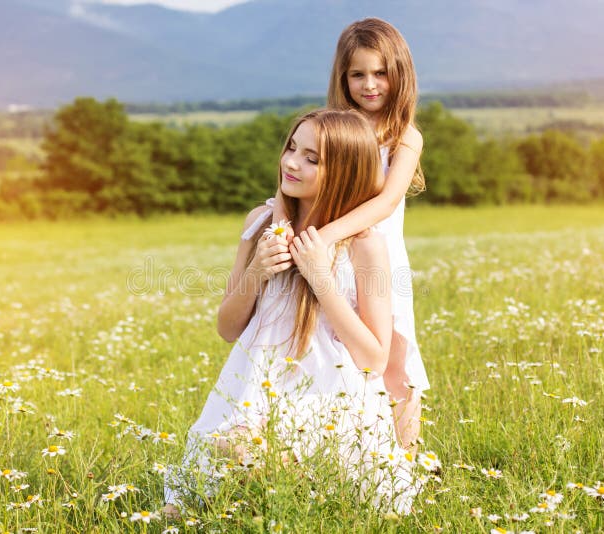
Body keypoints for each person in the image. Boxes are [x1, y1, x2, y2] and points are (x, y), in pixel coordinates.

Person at [164, 109, 422, 518]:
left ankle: (288, 479)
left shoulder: (363, 244)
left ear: (343, 171)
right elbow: (227, 328)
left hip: (326, 399)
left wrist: (321, 278)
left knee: (289, 482)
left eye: (311, 158)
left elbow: (374, 358)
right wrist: (257, 272)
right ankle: (272, 479)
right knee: (198, 490)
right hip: (256, 390)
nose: (290, 162)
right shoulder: (261, 223)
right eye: (291, 148)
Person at [270, 18, 429, 452]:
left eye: (380, 73)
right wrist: (288, 232)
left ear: (400, 75)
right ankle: (340, 446)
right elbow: (286, 185)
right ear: (343, 77)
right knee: (332, 348)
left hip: (378, 256)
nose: (370, 85)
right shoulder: (336, 129)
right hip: (327, 259)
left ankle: (404, 459)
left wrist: (325, 235)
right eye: (357, 74)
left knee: (394, 357)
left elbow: (385, 203)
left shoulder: (404, 136)